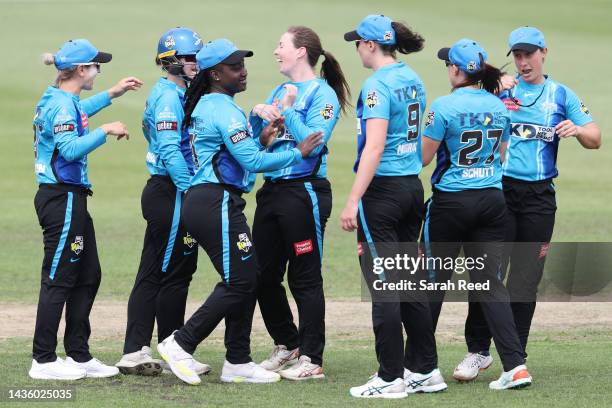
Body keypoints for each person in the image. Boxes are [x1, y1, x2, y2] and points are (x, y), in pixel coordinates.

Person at [155, 38, 323, 386]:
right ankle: (180, 343)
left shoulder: (211, 104)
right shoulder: (222, 108)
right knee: (241, 280)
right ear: (215, 74)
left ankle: (237, 361)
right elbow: (253, 162)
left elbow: (235, 155)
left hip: (214, 201)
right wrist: (299, 152)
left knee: (246, 277)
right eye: (234, 67)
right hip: (214, 201)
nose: (243, 71)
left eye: (243, 64)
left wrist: (262, 137)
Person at [459, 26, 601, 381]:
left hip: (539, 198)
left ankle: (515, 357)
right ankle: (477, 351)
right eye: (517, 56)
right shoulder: (501, 89)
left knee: (524, 278)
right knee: (487, 273)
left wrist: (578, 130)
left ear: (543, 53)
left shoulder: (560, 95)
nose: (523, 62)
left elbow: (595, 137)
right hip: (499, 193)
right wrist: (495, 82)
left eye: (529, 54)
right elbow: (467, 80)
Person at [340, 15, 445, 398]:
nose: (356, 49)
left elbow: (375, 145)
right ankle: (425, 370)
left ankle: (390, 377)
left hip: (382, 192)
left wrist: (353, 200)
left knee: (384, 285)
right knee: (409, 281)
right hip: (410, 188)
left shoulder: (376, 86)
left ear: (369, 45)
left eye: (358, 43)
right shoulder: (412, 78)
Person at [421, 38, 532, 390]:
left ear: (456, 69)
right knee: (490, 286)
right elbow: (500, 154)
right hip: (491, 200)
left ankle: (419, 367)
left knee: (433, 283)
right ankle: (515, 367)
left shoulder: (442, 107)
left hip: (451, 203)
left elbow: (423, 158)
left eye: (447, 65)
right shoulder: (501, 106)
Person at [30, 39, 142, 380]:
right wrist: (104, 131)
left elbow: (78, 113)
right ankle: (44, 360)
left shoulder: (61, 99)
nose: (98, 70)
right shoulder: (63, 106)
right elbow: (69, 151)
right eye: (96, 66)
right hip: (61, 199)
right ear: (81, 70)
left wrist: (112, 93)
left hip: (70, 199)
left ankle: (78, 354)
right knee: (59, 279)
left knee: (88, 274)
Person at [247, 25, 350, 380]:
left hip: (304, 191)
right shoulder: (279, 89)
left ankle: (312, 358)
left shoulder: (323, 95)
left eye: (281, 46)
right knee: (261, 274)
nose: (276, 51)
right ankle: (287, 342)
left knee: (304, 277)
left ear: (301, 51)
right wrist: (263, 127)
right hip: (272, 190)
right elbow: (266, 144)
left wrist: (288, 111)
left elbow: (314, 143)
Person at [116, 27, 210, 377]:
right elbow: (170, 147)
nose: (195, 63)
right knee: (160, 273)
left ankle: (173, 349)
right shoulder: (170, 96)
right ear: (171, 61)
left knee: (177, 273)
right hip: (170, 191)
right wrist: (190, 189)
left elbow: (149, 131)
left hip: (170, 189)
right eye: (189, 58)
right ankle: (136, 350)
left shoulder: (174, 92)